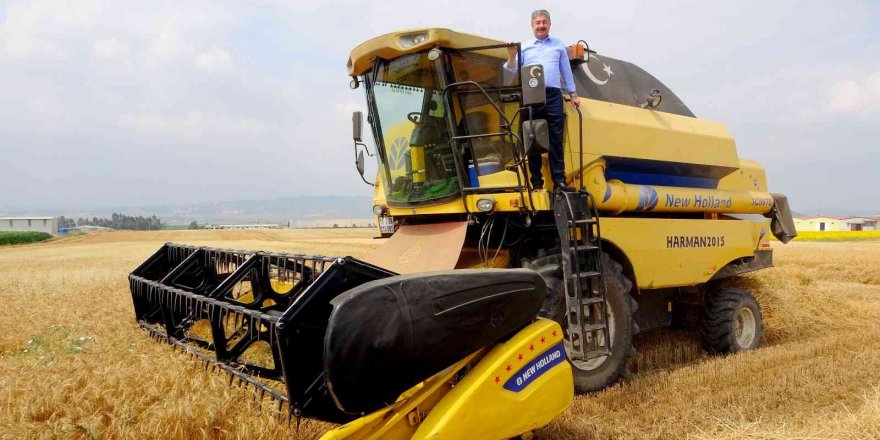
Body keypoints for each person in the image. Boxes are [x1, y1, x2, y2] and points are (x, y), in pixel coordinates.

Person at [505, 9, 580, 191]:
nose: (541, 26)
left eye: (544, 22)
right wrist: (512, 54)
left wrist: (573, 94)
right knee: (532, 137)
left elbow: (566, 71)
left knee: (556, 138)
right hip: (531, 96)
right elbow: (511, 69)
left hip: (553, 94)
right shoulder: (525, 47)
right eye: (537, 22)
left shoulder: (558, 45)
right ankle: (536, 182)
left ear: (549, 25)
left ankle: (559, 181)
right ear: (532, 26)